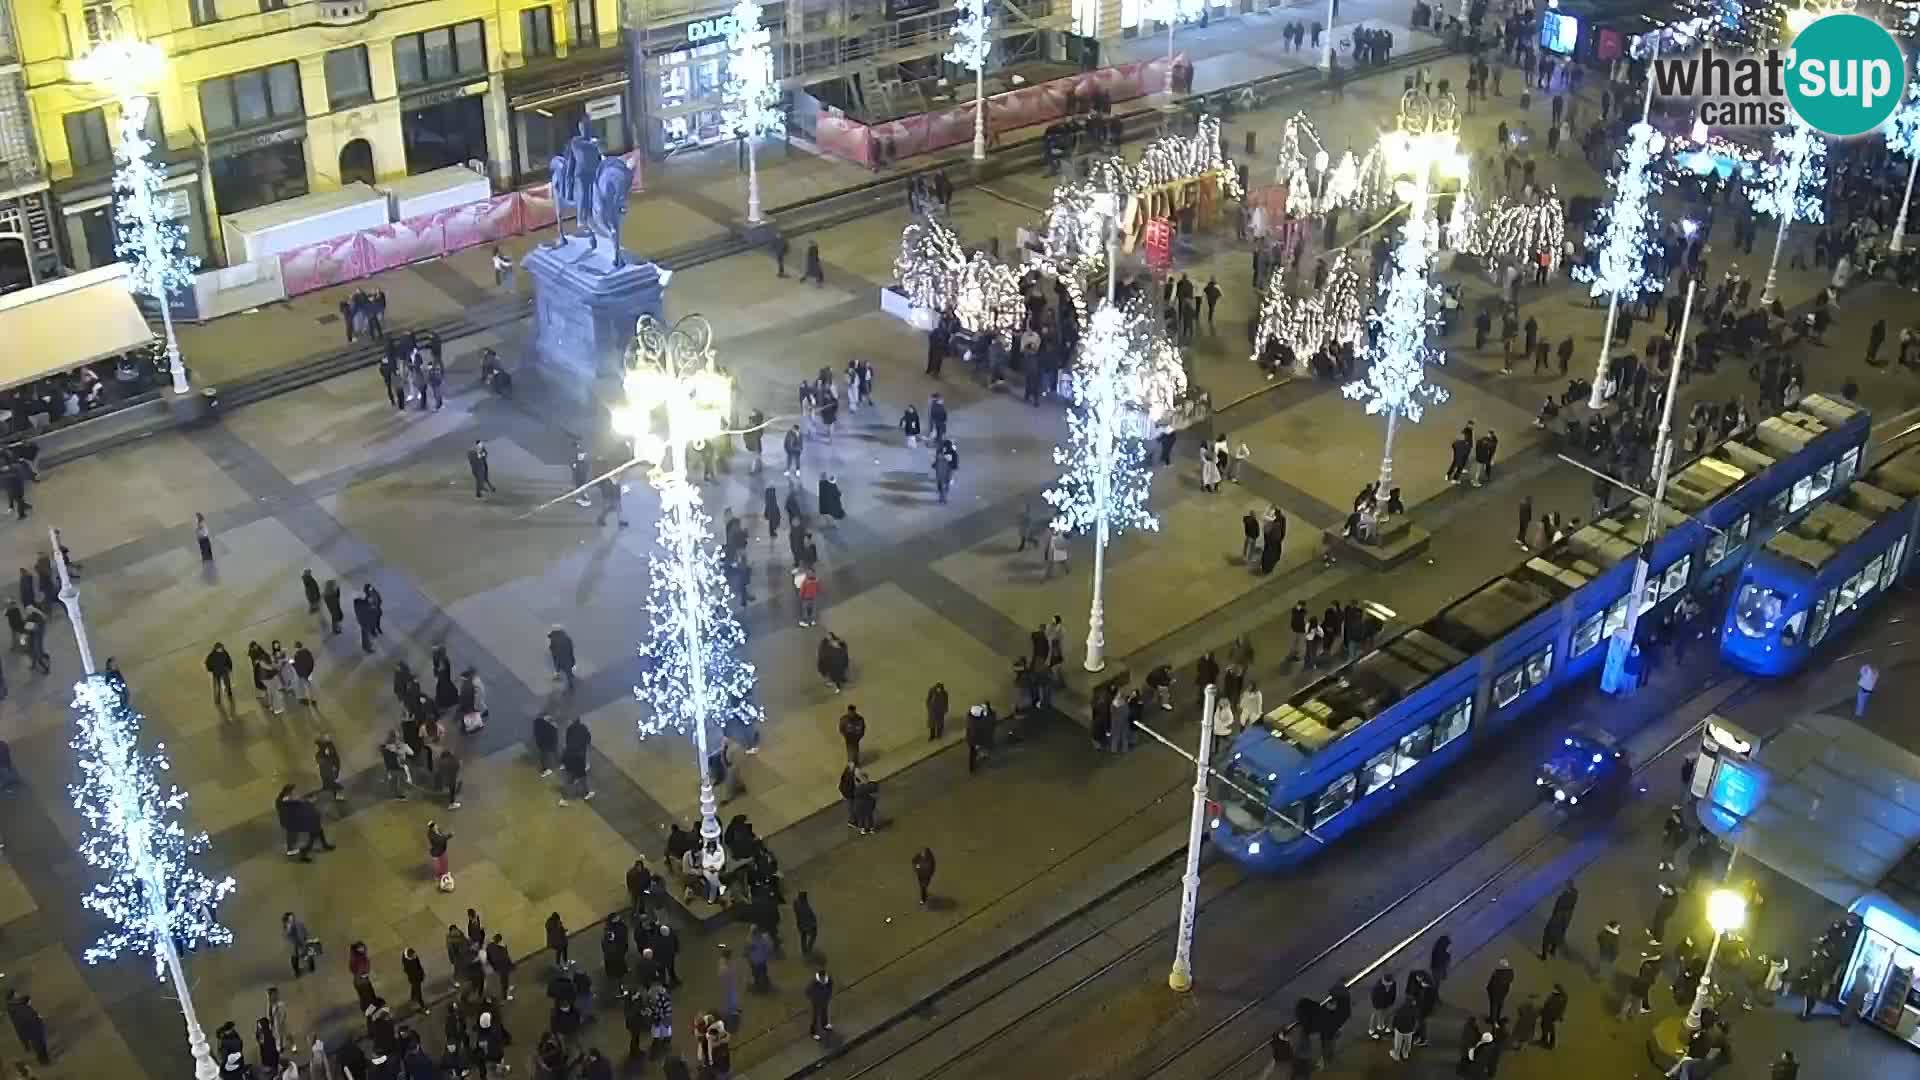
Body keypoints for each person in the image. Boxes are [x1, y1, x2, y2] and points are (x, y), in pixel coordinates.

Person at [806, 966, 834, 1039]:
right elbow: (807, 992)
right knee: (815, 1018)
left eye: (823, 978)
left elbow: (830, 988)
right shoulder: (814, 983)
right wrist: (814, 999)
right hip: (816, 1003)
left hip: (825, 1000)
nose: (823, 979)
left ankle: (825, 1025)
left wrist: (828, 996)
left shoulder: (829, 981)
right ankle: (813, 1033)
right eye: (821, 978)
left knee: (824, 1013)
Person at [206, 642, 236, 707]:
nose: (222, 649)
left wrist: (230, 668)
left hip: (224, 671)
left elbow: (229, 660)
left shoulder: (224, 653)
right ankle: (217, 700)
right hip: (216, 673)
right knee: (217, 687)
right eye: (220, 648)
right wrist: (211, 669)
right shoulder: (211, 656)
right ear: (216, 649)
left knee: (227, 683)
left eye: (222, 648)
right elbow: (207, 664)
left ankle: (229, 693)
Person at [549, 625, 577, 691]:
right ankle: (570, 680)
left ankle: (558, 676)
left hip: (559, 656)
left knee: (558, 666)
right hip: (567, 656)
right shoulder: (567, 638)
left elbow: (551, 648)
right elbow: (571, 647)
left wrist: (553, 653)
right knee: (568, 668)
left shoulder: (554, 639)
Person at [1538, 983, 1566, 1048]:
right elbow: (1547, 1003)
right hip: (1548, 1014)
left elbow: (1560, 1008)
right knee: (1544, 1026)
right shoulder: (1558, 995)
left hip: (1552, 1016)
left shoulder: (1561, 997)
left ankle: (1551, 1044)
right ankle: (1545, 1040)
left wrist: (1559, 1016)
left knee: (1551, 1030)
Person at [1486, 957, 1514, 1022]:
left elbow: (1492, 983)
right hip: (1503, 991)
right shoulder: (1510, 972)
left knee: (1494, 1005)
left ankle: (1493, 1020)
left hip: (1495, 991)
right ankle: (1497, 1018)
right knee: (1500, 1005)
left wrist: (1488, 988)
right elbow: (1511, 980)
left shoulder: (1497, 973)